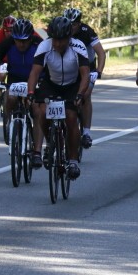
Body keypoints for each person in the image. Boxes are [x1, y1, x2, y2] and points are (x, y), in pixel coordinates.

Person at [27, 16, 90, 179]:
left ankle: (73, 160)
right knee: (41, 111)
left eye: (61, 40)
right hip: (51, 83)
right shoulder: (44, 46)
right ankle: (51, 142)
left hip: (72, 85)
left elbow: (85, 76)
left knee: (70, 117)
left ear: (69, 38)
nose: (57, 44)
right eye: (55, 40)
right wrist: (31, 93)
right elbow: (34, 73)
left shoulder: (78, 46)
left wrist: (80, 95)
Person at [0, 18, 43, 158]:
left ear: (31, 38)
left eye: (24, 40)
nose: (21, 44)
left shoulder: (39, 44)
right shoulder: (8, 42)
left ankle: (36, 150)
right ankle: (12, 124)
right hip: (15, 78)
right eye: (18, 40)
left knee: (36, 109)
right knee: (10, 99)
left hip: (35, 79)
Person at [62, 7, 105, 150]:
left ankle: (86, 132)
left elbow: (101, 53)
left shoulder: (87, 32)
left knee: (85, 95)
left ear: (79, 24)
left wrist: (98, 71)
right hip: (69, 69)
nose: (71, 27)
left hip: (88, 68)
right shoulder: (60, 29)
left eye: (73, 24)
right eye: (68, 24)